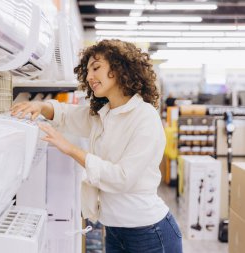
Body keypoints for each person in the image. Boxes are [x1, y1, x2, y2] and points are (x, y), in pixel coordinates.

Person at [11, 39, 182, 253]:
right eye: (87, 70)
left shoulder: (144, 117)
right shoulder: (105, 114)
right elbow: (66, 115)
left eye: (96, 68)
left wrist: (71, 149)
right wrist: (39, 105)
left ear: (119, 68)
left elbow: (122, 178)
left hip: (150, 233)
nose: (90, 76)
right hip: (114, 230)